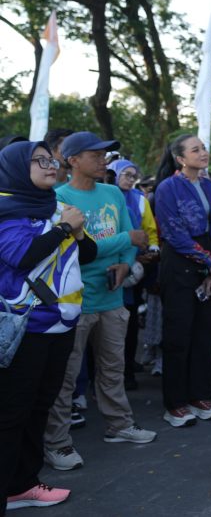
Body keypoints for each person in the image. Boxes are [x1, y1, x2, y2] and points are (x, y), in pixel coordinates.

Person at [43, 132, 156, 471]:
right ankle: (57, 443)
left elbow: (133, 238)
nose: (103, 160)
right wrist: (125, 240)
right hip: (74, 302)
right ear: (73, 160)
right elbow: (77, 249)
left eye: (104, 154)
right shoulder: (59, 197)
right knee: (65, 377)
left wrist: (125, 263)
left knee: (113, 369)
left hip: (112, 297)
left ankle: (119, 426)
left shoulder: (112, 193)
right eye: (95, 154)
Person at [0, 141, 96, 512]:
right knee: (12, 413)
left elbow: (88, 254)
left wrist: (76, 230)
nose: (50, 165)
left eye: (50, 159)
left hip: (60, 324)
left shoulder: (54, 206)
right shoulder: (8, 210)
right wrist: (64, 227)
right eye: (39, 160)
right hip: (26, 328)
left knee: (40, 407)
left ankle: (23, 484)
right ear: (15, 168)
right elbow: (21, 256)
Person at [153, 134, 211, 428]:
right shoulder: (167, 188)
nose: (203, 152)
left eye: (204, 148)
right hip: (180, 265)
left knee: (205, 334)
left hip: (210, 264)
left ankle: (200, 397)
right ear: (181, 158)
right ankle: (175, 404)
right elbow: (173, 233)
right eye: (196, 150)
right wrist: (209, 262)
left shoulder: (209, 185)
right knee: (178, 336)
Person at [109, 159, 160, 392]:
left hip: (133, 270)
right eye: (126, 174)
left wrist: (151, 250)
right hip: (106, 268)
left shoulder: (140, 199)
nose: (130, 180)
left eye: (133, 175)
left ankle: (127, 370)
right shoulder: (104, 197)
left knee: (128, 324)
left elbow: (149, 230)